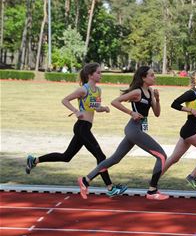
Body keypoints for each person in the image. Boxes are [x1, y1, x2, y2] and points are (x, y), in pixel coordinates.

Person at [26, 62, 126, 197]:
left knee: (66, 156)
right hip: (81, 127)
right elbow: (65, 100)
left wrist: (104, 108)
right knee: (101, 156)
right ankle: (110, 188)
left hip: (86, 127)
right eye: (98, 72)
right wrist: (76, 111)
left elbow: (95, 107)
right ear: (90, 75)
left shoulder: (97, 90)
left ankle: (34, 160)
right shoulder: (83, 90)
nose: (100, 75)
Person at [77, 66, 169, 200]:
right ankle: (152, 190)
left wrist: (157, 99)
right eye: (152, 75)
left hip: (136, 130)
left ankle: (85, 180)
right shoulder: (137, 92)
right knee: (161, 156)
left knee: (115, 159)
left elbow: (157, 113)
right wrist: (131, 113)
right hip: (133, 130)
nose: (154, 77)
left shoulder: (149, 91)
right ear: (143, 77)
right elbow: (115, 102)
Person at [162, 69, 196, 191]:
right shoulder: (191, 93)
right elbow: (174, 104)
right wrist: (190, 110)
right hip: (190, 131)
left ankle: (154, 179)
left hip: (188, 131)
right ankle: (192, 176)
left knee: (173, 159)